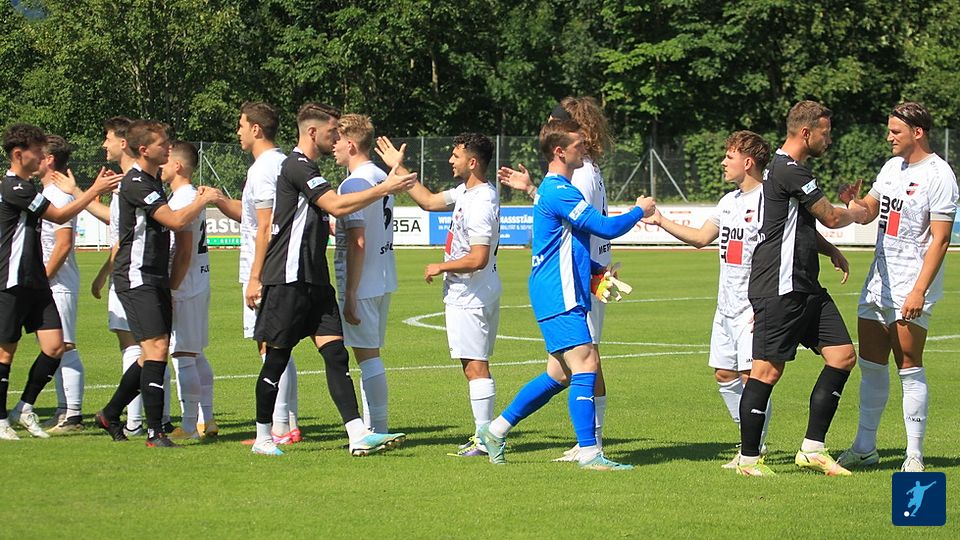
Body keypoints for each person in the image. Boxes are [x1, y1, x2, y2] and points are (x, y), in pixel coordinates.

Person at [478, 118, 655, 471]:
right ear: (560, 151)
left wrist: (596, 272)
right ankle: (589, 453)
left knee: (559, 375)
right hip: (558, 292)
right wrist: (640, 210)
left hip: (561, 289)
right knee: (586, 362)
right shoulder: (559, 191)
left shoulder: (557, 189)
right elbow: (605, 227)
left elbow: (568, 245)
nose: (584, 148)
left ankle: (495, 431)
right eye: (578, 145)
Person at [248, 103, 415, 456]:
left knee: (336, 355)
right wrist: (385, 186)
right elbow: (336, 206)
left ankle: (358, 435)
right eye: (331, 131)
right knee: (276, 359)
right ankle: (263, 438)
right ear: (312, 132)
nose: (336, 137)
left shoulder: (312, 169)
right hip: (288, 279)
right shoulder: (295, 165)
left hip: (315, 280)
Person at [735, 100, 869, 476]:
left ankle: (812, 449)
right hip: (780, 286)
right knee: (766, 371)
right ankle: (748, 461)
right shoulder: (788, 169)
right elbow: (830, 216)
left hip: (805, 284)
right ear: (806, 132)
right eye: (825, 132)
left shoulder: (791, 170)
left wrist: (830, 251)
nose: (829, 138)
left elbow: (797, 225)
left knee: (842, 356)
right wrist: (857, 210)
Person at [837, 102, 958, 473]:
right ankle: (864, 447)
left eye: (895, 131)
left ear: (917, 133)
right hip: (878, 281)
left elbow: (940, 239)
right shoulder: (891, 168)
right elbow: (868, 212)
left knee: (908, 365)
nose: (888, 137)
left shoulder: (939, 175)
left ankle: (914, 454)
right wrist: (850, 202)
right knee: (871, 365)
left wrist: (919, 290)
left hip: (910, 284)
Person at [498, 96, 615, 461]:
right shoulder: (586, 170)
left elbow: (586, 225)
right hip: (581, 274)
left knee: (582, 362)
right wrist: (533, 190)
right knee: (571, 367)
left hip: (578, 278)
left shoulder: (581, 173)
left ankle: (590, 444)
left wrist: (596, 271)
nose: (547, 126)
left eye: (554, 121)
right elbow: (569, 217)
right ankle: (498, 429)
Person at [93, 120, 221, 448]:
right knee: (158, 349)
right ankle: (155, 432)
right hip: (136, 276)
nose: (167, 147)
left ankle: (110, 413)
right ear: (143, 149)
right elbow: (175, 220)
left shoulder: (151, 180)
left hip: (154, 276)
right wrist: (204, 200)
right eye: (162, 143)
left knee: (149, 354)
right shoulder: (137, 182)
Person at [376, 132, 500, 457]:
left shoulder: (481, 202)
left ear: (472, 162)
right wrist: (399, 168)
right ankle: (483, 435)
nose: (450, 160)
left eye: (456, 156)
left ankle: (486, 439)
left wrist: (440, 266)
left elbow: (478, 257)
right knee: (473, 364)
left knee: (475, 366)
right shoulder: (466, 192)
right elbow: (429, 201)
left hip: (470, 294)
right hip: (472, 292)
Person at [1, 123, 120, 440]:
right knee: (6, 352)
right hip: (13, 281)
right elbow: (58, 216)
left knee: (56, 347)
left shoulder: (30, 188)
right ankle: (1, 420)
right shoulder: (14, 187)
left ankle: (26, 408)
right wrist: (92, 191)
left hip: (38, 282)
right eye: (36, 151)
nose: (41, 156)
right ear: (19, 154)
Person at [215, 102, 300, 443]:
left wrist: (255, 276)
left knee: (270, 347)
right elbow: (254, 217)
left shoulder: (264, 168)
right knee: (278, 346)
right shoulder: (281, 163)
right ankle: (288, 423)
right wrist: (219, 200)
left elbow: (266, 226)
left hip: (266, 268)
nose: (238, 132)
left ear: (256, 129)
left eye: (241, 125)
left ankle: (279, 427)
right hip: (277, 266)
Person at [332, 114, 397, 434]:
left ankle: (379, 430)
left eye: (338, 140)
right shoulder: (380, 176)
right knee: (370, 355)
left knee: (367, 358)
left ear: (351, 144)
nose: (333, 146)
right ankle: (376, 428)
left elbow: (358, 240)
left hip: (363, 282)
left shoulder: (354, 183)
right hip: (383, 276)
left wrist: (350, 294)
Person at [36, 135, 87, 433]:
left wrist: (42, 279)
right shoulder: (47, 193)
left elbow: (63, 244)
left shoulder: (59, 196)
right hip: (51, 281)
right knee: (54, 346)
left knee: (65, 345)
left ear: (49, 159)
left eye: (37, 153)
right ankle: (63, 410)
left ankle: (73, 415)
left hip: (59, 282)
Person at [162, 141, 213, 440]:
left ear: (178, 165)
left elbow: (182, 252)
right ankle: (208, 418)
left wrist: (171, 289)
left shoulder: (183, 199)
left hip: (186, 283)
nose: (161, 164)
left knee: (182, 353)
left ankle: (190, 425)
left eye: (166, 160)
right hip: (199, 280)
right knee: (195, 354)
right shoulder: (190, 196)